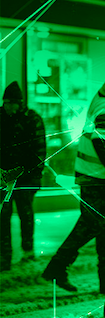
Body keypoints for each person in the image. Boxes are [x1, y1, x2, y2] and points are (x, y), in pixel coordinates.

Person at [42, 65, 105, 292]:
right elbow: (102, 140)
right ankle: (57, 266)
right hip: (99, 177)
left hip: (96, 175)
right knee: (92, 224)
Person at [1, 81, 46, 271]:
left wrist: (30, 172)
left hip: (25, 176)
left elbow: (39, 150)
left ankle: (27, 251)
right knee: (4, 215)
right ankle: (5, 255)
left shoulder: (32, 118)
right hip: (4, 177)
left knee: (25, 213)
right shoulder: (5, 117)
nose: (9, 106)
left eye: (13, 102)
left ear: (20, 103)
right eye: (7, 102)